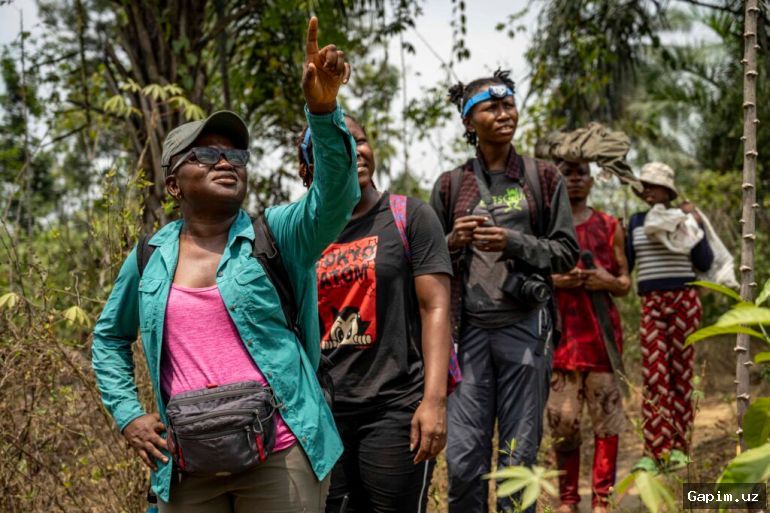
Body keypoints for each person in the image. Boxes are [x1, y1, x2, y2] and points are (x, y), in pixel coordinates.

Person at [91, 17, 357, 512]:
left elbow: (335, 198)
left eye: (236, 153)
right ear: (173, 183)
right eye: (207, 153)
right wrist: (128, 415)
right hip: (188, 463)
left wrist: (323, 111)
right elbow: (107, 338)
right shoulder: (149, 258)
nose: (226, 161)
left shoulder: (277, 234)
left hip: (280, 454)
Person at [429, 69, 579, 513]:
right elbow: (427, 263)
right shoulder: (451, 184)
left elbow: (567, 252)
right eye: (490, 108)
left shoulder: (542, 177)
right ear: (468, 123)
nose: (503, 114)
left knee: (518, 461)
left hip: (525, 331)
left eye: (508, 104)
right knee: (463, 462)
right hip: (468, 335)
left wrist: (514, 242)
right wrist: (453, 241)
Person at [297, 114, 453, 513]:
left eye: (360, 140)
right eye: (334, 144)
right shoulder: (299, 234)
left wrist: (433, 401)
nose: (353, 150)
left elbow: (434, 307)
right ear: (307, 167)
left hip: (396, 408)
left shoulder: (411, 217)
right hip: (325, 415)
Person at [546, 158, 631, 513]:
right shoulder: (548, 227)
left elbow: (625, 282)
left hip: (601, 340)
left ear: (591, 180)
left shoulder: (610, 225)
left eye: (582, 173)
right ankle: (568, 500)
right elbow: (534, 274)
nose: (576, 179)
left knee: (606, 421)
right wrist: (557, 281)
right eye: (568, 173)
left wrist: (605, 281)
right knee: (563, 422)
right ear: (558, 179)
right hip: (562, 339)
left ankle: (602, 500)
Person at [626, 162, 713, 464]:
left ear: (668, 190)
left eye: (654, 184)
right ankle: (656, 449)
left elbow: (704, 261)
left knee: (681, 375)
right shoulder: (636, 222)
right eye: (645, 185)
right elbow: (627, 264)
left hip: (684, 301)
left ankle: (680, 446)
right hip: (652, 302)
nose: (648, 189)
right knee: (654, 375)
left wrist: (697, 223)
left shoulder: (685, 219)